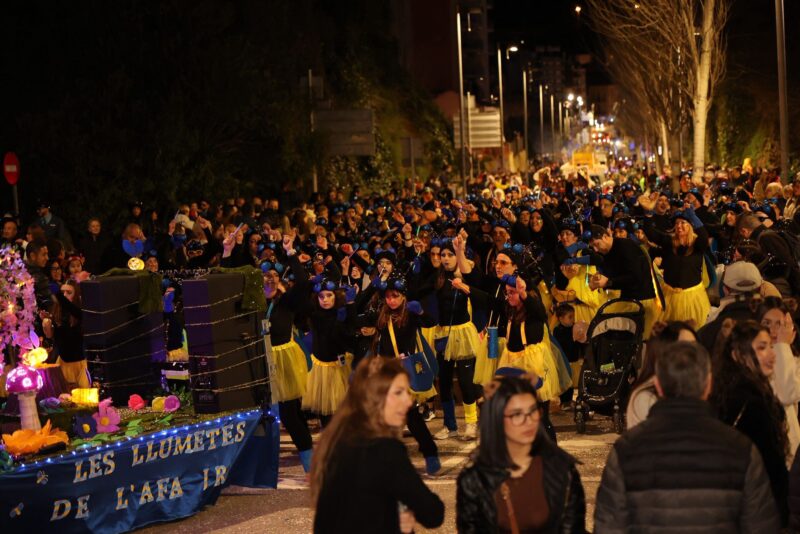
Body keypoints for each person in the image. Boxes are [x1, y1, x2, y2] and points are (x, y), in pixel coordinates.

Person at [595, 341, 779, 532]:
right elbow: (761, 527)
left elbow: (609, 527)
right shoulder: (741, 449)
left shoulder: (626, 450)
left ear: (658, 385)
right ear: (708, 384)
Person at [311, 357, 444, 533]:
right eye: (398, 392)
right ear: (374, 397)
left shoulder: (336, 439)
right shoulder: (384, 450)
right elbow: (432, 513)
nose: (408, 401)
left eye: (407, 392)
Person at [456, 374, 585, 533]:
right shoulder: (474, 480)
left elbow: (572, 527)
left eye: (532, 411)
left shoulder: (562, 469)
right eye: (517, 414)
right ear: (496, 418)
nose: (528, 421)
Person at [710, 320, 790, 526]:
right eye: (762, 348)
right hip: (755, 509)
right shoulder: (752, 403)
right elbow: (771, 466)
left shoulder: (725, 393)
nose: (772, 354)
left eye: (770, 346)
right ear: (738, 355)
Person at [586, 225, 660, 338]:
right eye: (593, 247)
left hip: (642, 301)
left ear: (605, 236)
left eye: (597, 244)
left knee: (641, 339)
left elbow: (635, 276)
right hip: (628, 299)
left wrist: (608, 282)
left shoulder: (625, 246)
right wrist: (599, 280)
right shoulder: (606, 253)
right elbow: (614, 276)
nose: (596, 250)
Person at [643, 207, 711, 328]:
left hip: (692, 297)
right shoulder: (669, 242)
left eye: (683, 222)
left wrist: (692, 216)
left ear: (690, 226)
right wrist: (648, 213)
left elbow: (704, 237)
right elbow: (651, 233)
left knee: (690, 329)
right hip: (669, 296)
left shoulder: (697, 245)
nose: (679, 226)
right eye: (677, 223)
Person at [626, 321, 697, 429]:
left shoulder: (693, 384)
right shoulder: (645, 398)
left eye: (695, 347)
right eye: (684, 348)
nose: (694, 354)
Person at [42, 280, 89, 389]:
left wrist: (58, 294)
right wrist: (47, 321)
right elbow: (51, 337)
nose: (65, 295)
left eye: (69, 292)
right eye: (63, 292)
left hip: (80, 365)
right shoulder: (57, 312)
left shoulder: (80, 312)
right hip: (63, 362)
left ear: (76, 295)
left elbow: (71, 308)